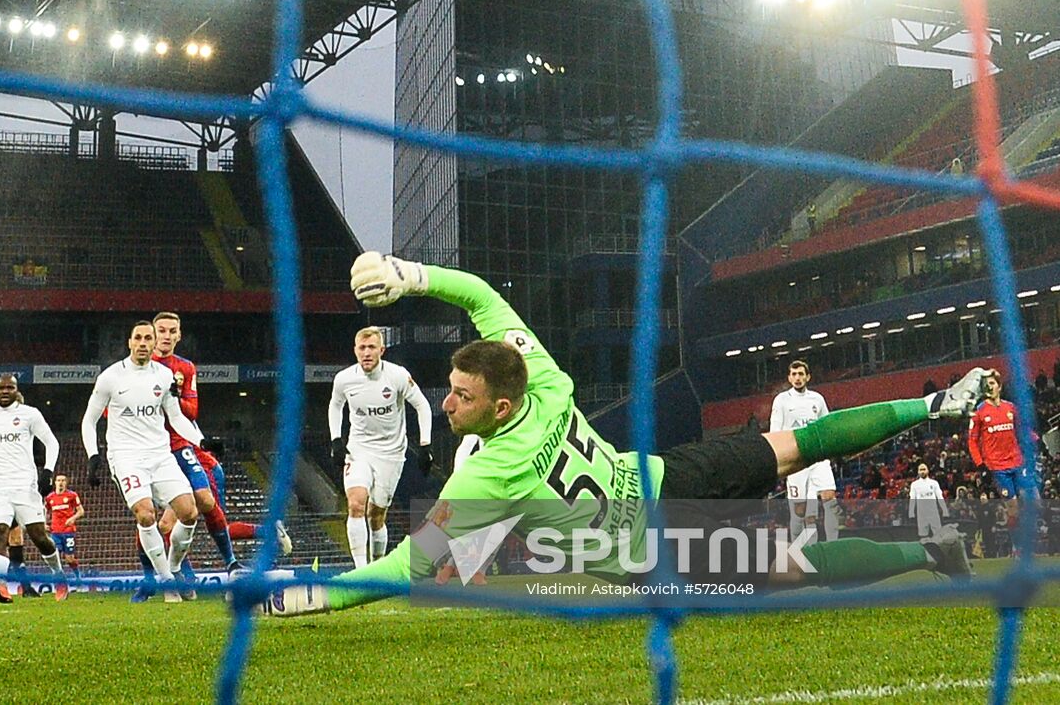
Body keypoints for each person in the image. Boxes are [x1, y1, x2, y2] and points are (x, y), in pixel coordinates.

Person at [264, 253, 984, 616]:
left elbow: (412, 568)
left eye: (461, 394)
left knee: (797, 565)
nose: (447, 401)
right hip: (673, 476)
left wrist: (323, 593)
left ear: (501, 407)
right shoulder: (541, 377)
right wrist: (411, 272)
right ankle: (933, 408)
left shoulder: (486, 474)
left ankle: (926, 546)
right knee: (798, 443)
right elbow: (482, 294)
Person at [82, 321, 202, 603]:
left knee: (190, 513)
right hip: (126, 457)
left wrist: (201, 442)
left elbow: (176, 417)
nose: (144, 343)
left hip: (160, 455)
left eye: (149, 337)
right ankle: (167, 583)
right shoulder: (111, 377)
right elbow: (89, 421)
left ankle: (171, 568)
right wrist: (93, 456)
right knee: (146, 515)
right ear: (130, 342)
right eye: (139, 338)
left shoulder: (165, 375)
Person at [327, 326, 433, 567]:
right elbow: (335, 406)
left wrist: (425, 445)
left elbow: (422, 405)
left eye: (371, 347)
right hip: (359, 450)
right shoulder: (344, 379)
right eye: (362, 348)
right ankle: (361, 572)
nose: (366, 352)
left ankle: (377, 566)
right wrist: (336, 440)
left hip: (391, 454)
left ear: (381, 350)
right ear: (355, 350)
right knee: (355, 503)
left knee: (376, 516)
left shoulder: (397, 376)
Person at [150, 311, 242, 584]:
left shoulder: (185, 368)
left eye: (171, 331)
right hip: (151, 449)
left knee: (204, 500)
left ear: (179, 335)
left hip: (180, 443)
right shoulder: (140, 367)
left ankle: (232, 563)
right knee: (159, 522)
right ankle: (177, 576)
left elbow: (192, 410)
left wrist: (175, 399)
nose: (166, 336)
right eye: (162, 330)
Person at [0, 374, 69, 603]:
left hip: (25, 486)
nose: (5, 391)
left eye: (9, 387)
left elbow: (52, 442)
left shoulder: (29, 414)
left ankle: (59, 576)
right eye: (0, 388)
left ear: (16, 390)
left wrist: (48, 472)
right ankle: (1, 585)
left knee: (39, 537)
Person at [769, 360, 840, 542]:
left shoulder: (817, 399)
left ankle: (833, 546)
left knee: (830, 499)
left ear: (808, 377)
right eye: (794, 374)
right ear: (789, 377)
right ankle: (798, 547)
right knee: (800, 511)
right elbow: (775, 432)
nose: (797, 378)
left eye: (801, 374)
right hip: (797, 460)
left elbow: (827, 426)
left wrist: (832, 450)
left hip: (818, 458)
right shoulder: (782, 400)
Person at [969, 369, 1038, 499]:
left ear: (999, 386)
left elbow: (1022, 429)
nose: (989, 387)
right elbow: (972, 441)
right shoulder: (979, 412)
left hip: (1017, 462)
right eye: (986, 385)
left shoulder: (1010, 408)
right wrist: (980, 464)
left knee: (1033, 499)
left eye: (992, 383)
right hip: (997, 467)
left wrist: (1036, 439)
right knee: (1013, 507)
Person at [45, 474, 85, 578]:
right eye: (58, 480)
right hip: (55, 532)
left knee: (69, 558)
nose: (61, 482)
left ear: (66, 483)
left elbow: (81, 511)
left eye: (63, 480)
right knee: (55, 557)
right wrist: (44, 523)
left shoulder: (72, 495)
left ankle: (77, 576)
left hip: (68, 531)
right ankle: (59, 580)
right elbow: (46, 511)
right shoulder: (50, 498)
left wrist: (72, 519)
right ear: (55, 483)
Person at [907, 463, 950, 540]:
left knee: (938, 535)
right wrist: (911, 513)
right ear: (918, 472)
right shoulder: (914, 485)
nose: (922, 472)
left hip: (933, 512)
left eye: (924, 469)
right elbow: (912, 499)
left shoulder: (934, 483)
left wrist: (945, 510)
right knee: (923, 536)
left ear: (928, 471)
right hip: (921, 514)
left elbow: (940, 497)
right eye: (920, 470)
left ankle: (938, 551)